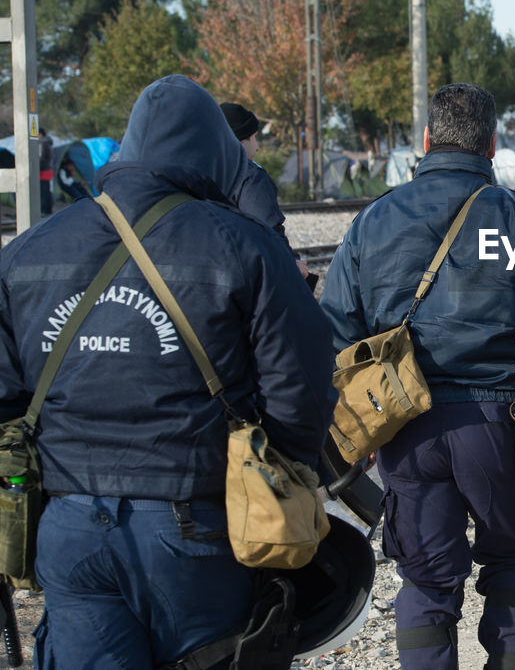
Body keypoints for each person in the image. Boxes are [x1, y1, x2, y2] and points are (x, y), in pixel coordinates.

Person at [0, 74, 334, 667]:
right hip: (195, 527)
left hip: (69, 527)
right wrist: (276, 470)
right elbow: (302, 388)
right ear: (214, 154)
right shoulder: (247, 247)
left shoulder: (27, 252)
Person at [321, 82, 515, 670]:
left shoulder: (372, 221)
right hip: (503, 425)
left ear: (426, 140)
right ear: (493, 144)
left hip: (403, 428)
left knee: (425, 579)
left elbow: (332, 333)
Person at [220, 102, 310, 281]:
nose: (258, 147)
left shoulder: (200, 171)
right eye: (254, 138)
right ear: (239, 140)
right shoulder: (249, 177)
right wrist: (291, 263)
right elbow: (267, 231)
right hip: (242, 278)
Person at [37, 127, 53, 216]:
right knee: (47, 191)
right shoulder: (48, 142)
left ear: (40, 134)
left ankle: (43, 211)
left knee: (42, 192)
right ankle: (48, 210)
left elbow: (40, 157)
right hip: (48, 170)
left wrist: (36, 168)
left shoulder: (41, 142)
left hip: (43, 170)